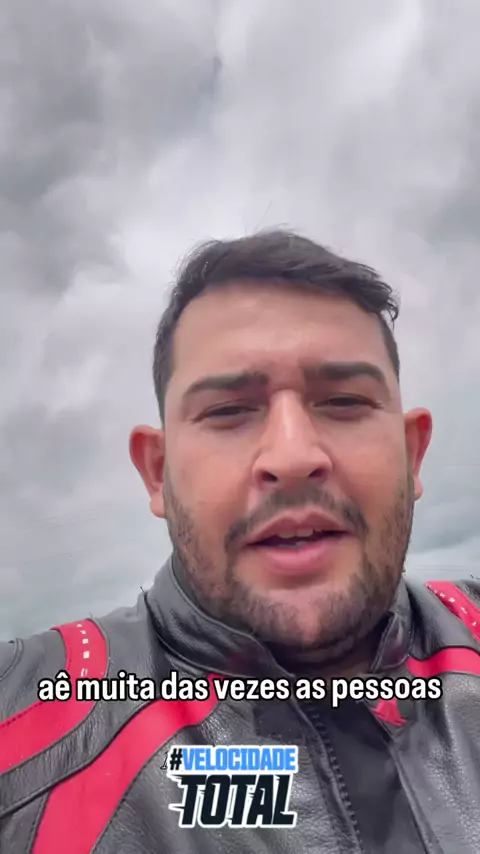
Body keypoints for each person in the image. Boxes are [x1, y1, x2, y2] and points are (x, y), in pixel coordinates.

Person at [0, 230, 478, 854]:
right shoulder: (27, 718)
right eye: (228, 411)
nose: (293, 457)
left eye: (344, 401)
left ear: (413, 454)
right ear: (157, 473)